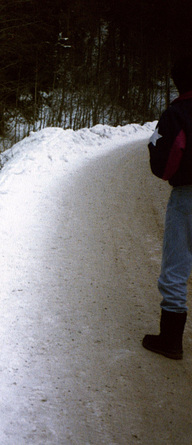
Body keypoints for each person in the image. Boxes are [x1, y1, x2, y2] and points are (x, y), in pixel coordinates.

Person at [144, 56, 192, 360]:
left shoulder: (177, 114)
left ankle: (171, 341)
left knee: (176, 266)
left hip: (187, 197)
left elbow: (165, 159)